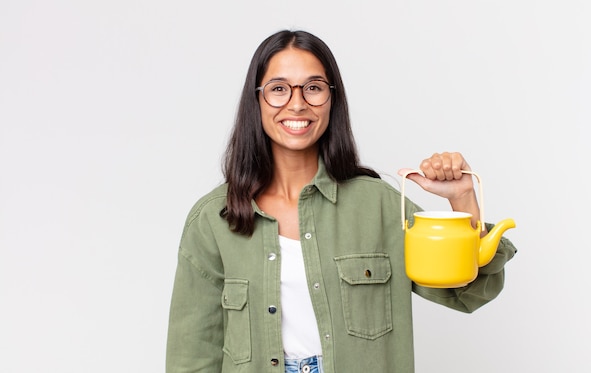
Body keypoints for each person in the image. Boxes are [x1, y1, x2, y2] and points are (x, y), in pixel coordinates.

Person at [166, 29, 517, 373]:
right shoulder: (214, 218)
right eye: (278, 89)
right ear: (256, 100)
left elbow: (468, 292)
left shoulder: (379, 207)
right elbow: (191, 357)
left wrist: (463, 198)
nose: (298, 102)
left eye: (314, 88)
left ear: (332, 99)